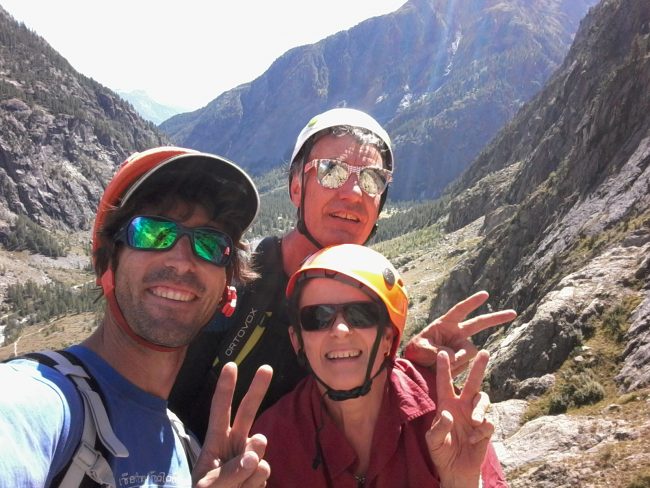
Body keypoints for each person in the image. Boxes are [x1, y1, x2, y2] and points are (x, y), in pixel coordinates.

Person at [169, 108, 517, 442]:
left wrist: (403, 370)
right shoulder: (235, 277)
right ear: (295, 189)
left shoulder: (373, 299)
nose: (352, 193)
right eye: (331, 171)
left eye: (372, 179)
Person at [0, 147, 273, 487]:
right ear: (107, 263)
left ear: (225, 289)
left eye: (209, 243)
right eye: (151, 232)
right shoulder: (39, 401)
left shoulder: (188, 451)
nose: (181, 260)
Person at [253, 244, 508, 487]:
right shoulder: (271, 442)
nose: (340, 330)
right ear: (297, 340)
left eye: (360, 315)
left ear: (388, 339)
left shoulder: (442, 411)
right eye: (317, 317)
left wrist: (461, 482)